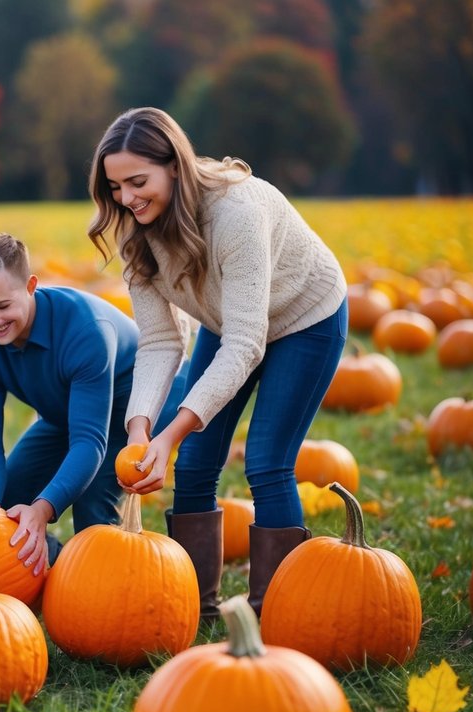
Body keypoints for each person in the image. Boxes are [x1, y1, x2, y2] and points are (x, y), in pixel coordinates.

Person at [87, 106, 348, 620]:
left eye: (138, 181)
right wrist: (141, 429)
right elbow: (161, 341)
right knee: (198, 461)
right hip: (230, 321)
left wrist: (170, 434)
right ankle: (191, 606)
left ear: (175, 167)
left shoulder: (236, 213)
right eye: (115, 187)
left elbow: (247, 344)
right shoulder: (136, 235)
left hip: (304, 317)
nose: (127, 199)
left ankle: (277, 615)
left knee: (268, 462)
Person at [0, 231, 188, 577]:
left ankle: (115, 588)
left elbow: (89, 441)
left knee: (92, 505)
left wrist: (43, 509)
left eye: (3, 306)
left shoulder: (84, 330)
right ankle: (59, 566)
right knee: (4, 500)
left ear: (31, 285)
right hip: (65, 414)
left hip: (142, 406)